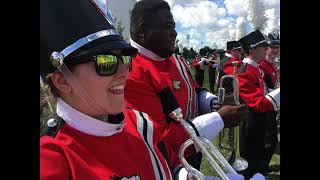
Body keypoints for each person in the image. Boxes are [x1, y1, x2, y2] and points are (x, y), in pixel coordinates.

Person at [40, 0, 255, 179]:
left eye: (125, 58)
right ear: (62, 81)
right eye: (106, 62)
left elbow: (168, 162)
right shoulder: (52, 160)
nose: (124, 71)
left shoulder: (139, 123)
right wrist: (218, 119)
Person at [124, 0, 249, 171]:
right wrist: (218, 119)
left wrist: (215, 102)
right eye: (168, 26)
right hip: (168, 163)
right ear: (143, 31)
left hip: (193, 147)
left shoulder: (174, 58)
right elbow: (159, 137)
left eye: (174, 26)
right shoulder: (131, 72)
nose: (174, 33)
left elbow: (193, 89)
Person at [236, 30, 280, 179]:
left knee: (257, 152)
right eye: (263, 46)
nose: (266, 49)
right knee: (250, 155)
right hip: (251, 119)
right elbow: (257, 103)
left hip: (258, 118)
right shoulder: (245, 70)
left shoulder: (254, 67)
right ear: (253, 49)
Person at [258, 33, 280, 174]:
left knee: (271, 140)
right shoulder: (262, 65)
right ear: (266, 48)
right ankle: (261, 169)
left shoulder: (272, 65)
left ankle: (263, 168)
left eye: (278, 48)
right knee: (268, 141)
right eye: (273, 47)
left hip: (272, 105)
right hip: (264, 107)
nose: (276, 50)